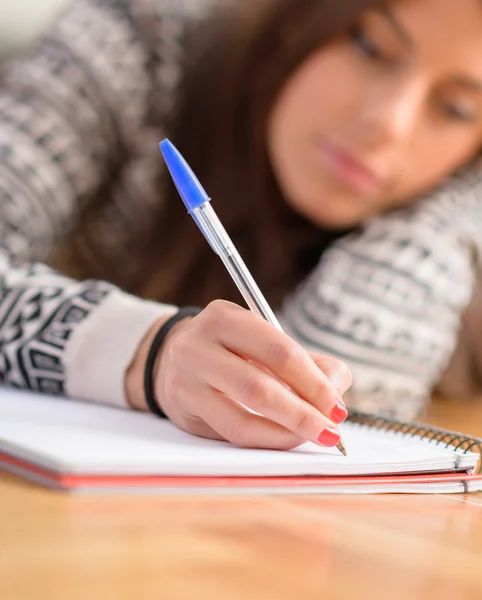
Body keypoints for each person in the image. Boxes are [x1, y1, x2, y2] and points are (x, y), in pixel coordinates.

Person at [1, 0, 482, 450]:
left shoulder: (454, 233)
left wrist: (438, 223)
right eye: (370, 48)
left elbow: (324, 435)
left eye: (457, 110)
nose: (388, 123)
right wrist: (146, 352)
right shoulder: (137, 38)